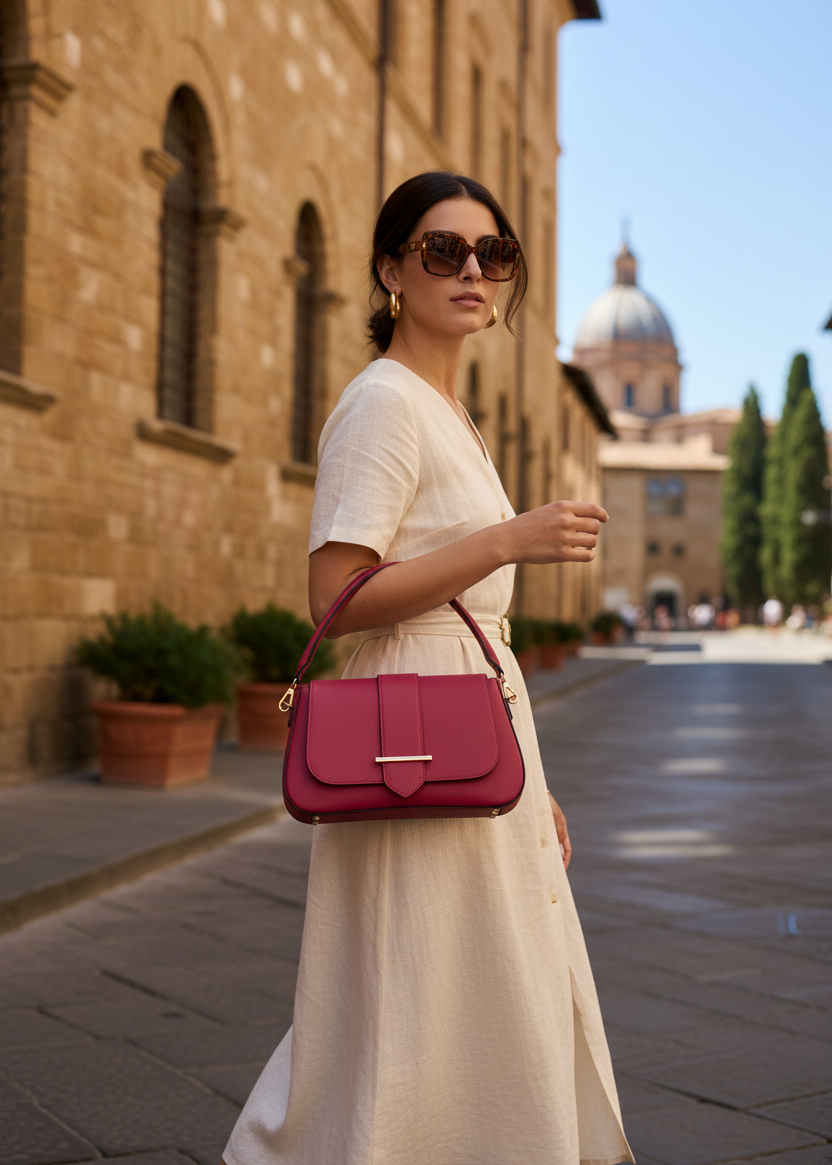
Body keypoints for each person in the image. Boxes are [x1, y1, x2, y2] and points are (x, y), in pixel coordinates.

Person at [222, 171, 633, 1165]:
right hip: (407, 735)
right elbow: (338, 596)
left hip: (467, 726)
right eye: (441, 251)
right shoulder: (384, 404)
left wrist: (536, 782)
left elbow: (461, 620)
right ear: (389, 272)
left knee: (471, 980)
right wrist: (505, 538)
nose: (472, 272)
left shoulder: (448, 412)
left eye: (492, 255)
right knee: (416, 979)